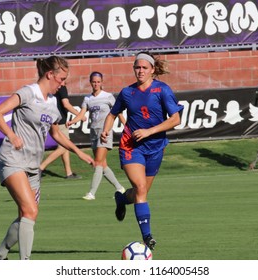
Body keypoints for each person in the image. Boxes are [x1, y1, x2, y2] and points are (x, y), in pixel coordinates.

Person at [0, 56, 94, 260]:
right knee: (30, 211)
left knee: (27, 216)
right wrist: (11, 135)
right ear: (50, 75)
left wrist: (79, 152)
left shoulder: (53, 104)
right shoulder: (28, 93)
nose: (63, 84)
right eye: (61, 79)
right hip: (13, 159)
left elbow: (56, 134)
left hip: (33, 167)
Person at [100, 51, 183, 250]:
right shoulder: (127, 92)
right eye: (137, 67)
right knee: (141, 188)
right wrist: (105, 131)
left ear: (153, 70)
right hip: (131, 146)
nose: (140, 71)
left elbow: (176, 119)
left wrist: (149, 131)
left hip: (155, 148)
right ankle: (147, 237)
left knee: (139, 192)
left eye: (145, 68)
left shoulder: (162, 90)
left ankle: (121, 198)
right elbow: (112, 114)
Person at [68, 71, 126, 200]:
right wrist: (72, 121)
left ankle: (92, 193)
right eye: (94, 82)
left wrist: (126, 126)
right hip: (93, 132)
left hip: (105, 132)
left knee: (98, 162)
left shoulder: (108, 96)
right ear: (90, 82)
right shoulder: (88, 99)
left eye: (98, 82)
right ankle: (119, 188)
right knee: (102, 164)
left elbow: (119, 113)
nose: (96, 84)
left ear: (102, 82)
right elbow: (82, 113)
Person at [39, 85, 84, 179]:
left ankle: (69, 173)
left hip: (53, 119)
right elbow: (66, 104)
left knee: (64, 148)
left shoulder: (50, 87)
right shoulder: (62, 87)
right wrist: (79, 115)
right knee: (64, 147)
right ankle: (41, 167)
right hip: (60, 121)